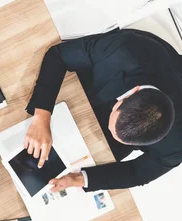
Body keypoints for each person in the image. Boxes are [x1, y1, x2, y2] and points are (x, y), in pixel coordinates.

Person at [24, 29, 179, 192]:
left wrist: (78, 179)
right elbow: (58, 56)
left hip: (103, 144)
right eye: (113, 126)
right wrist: (42, 117)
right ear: (132, 92)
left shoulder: (176, 146)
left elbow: (138, 173)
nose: (109, 128)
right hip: (85, 83)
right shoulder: (124, 50)